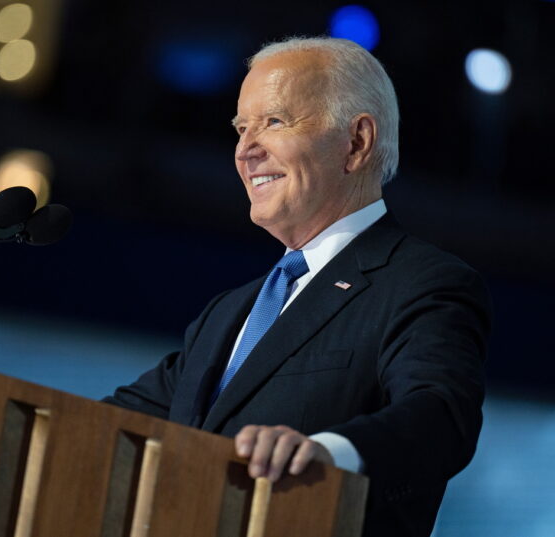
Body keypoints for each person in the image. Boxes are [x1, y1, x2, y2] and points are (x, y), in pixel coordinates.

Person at [104, 36, 490, 537]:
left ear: (356, 143)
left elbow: (440, 419)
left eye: (274, 122)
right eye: (241, 128)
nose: (246, 149)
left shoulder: (422, 284)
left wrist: (326, 455)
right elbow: (111, 424)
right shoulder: (228, 314)